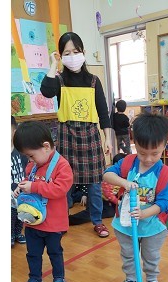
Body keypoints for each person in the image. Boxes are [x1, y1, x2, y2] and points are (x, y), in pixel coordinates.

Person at [40, 31, 114, 238]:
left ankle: (97, 221)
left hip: (90, 136)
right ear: (61, 55)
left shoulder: (93, 81)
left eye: (76, 51)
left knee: (95, 184)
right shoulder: (59, 80)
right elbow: (46, 91)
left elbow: (103, 112)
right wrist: (53, 65)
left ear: (83, 52)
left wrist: (108, 138)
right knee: (64, 184)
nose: (72, 56)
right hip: (67, 136)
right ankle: (61, 221)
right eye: (67, 53)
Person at [103, 113, 168, 282]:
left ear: (165, 145)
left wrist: (144, 214)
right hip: (125, 224)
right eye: (142, 153)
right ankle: (131, 279)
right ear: (135, 143)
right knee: (128, 254)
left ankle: (152, 279)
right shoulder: (127, 163)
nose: (148, 159)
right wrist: (124, 182)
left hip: (152, 226)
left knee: (151, 255)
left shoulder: (164, 173)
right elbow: (107, 175)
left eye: (155, 153)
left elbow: (164, 203)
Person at [12, 121, 73, 282]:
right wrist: (21, 187)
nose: (29, 160)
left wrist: (34, 187)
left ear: (46, 146)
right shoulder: (33, 165)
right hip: (32, 222)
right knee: (33, 253)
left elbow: (59, 189)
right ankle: (35, 278)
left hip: (53, 223)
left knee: (55, 252)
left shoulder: (62, 165)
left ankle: (59, 278)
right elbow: (29, 181)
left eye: (31, 156)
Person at [69, 153, 125, 225]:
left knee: (110, 211)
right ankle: (70, 220)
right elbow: (108, 195)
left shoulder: (125, 175)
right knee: (93, 213)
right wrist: (119, 202)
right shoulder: (110, 176)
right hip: (100, 199)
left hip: (110, 200)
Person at [11, 116, 28, 248]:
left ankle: (18, 233)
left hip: (20, 189)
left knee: (20, 212)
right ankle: (10, 234)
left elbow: (26, 168)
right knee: (10, 215)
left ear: (14, 131)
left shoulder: (20, 151)